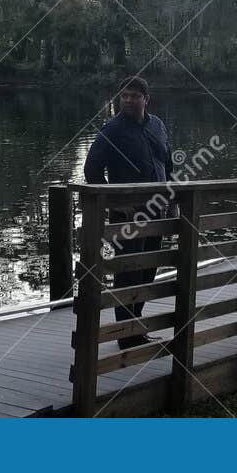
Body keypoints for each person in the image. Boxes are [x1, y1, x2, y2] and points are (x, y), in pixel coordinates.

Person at [82, 76, 170, 350]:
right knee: (128, 272)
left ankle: (135, 328)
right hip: (129, 216)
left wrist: (173, 197)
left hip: (158, 210)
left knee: (147, 271)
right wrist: (116, 204)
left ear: (146, 99)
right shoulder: (112, 130)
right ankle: (126, 334)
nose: (129, 100)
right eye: (124, 96)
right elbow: (91, 170)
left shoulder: (157, 125)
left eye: (134, 96)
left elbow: (167, 162)